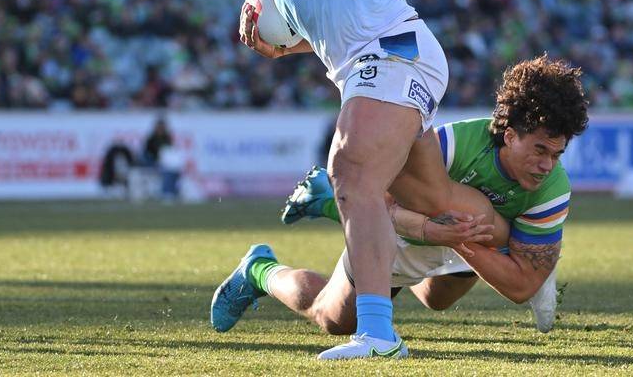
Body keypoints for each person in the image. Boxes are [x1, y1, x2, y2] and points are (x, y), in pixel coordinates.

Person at [214, 0, 460, 359]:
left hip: (395, 49)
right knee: (419, 210)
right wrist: (284, 48)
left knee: (348, 169)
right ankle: (275, 277)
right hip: (364, 65)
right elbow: (327, 29)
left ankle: (379, 338)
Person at [212, 56, 589, 347]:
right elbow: (379, 205)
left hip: (462, 240)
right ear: (509, 135)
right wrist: (431, 229)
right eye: (539, 149)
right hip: (407, 231)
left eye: (556, 154)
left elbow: (522, 287)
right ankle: (260, 269)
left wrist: (457, 239)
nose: (546, 165)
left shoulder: (553, 189)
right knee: (332, 318)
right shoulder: (450, 147)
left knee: (437, 299)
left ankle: (329, 203)